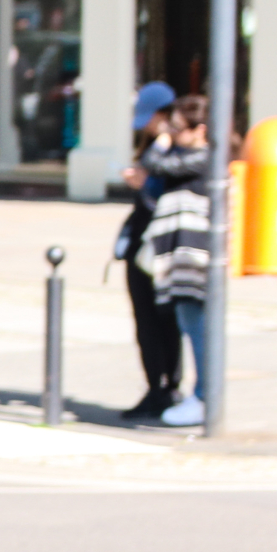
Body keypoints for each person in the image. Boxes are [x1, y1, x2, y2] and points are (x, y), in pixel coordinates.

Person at [137, 97, 216, 428]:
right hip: (183, 254)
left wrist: (160, 143)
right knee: (190, 324)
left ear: (201, 130)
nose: (172, 134)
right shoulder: (193, 155)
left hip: (193, 256)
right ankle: (202, 395)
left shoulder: (203, 157)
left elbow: (158, 164)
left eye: (178, 129)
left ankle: (204, 397)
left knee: (196, 327)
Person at [115, 80, 180, 420]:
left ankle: (163, 388)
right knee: (155, 319)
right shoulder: (159, 145)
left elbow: (163, 192)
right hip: (147, 240)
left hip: (156, 243)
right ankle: (162, 385)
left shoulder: (171, 148)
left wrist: (145, 182)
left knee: (157, 319)